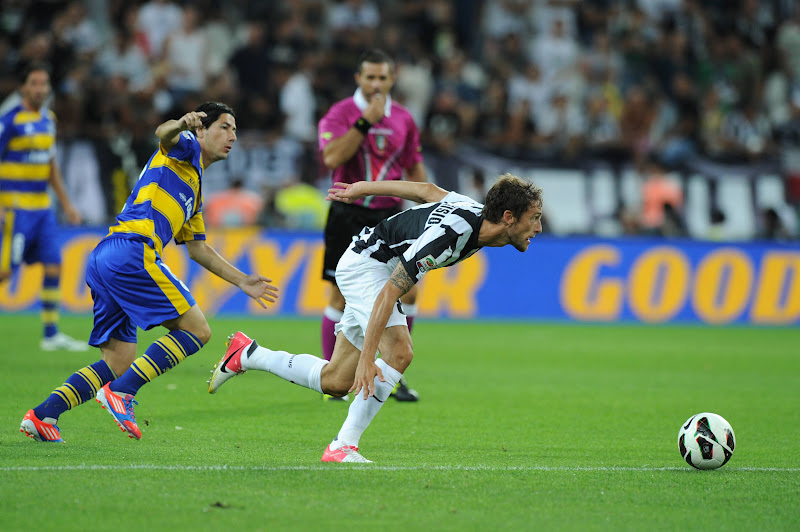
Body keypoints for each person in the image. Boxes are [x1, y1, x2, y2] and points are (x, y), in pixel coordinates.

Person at [208, 174, 543, 463]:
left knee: (336, 381)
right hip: (367, 267)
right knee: (399, 352)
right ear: (508, 217)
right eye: (534, 218)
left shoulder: (472, 211)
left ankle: (248, 354)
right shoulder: (448, 237)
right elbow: (388, 293)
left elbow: (425, 190)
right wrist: (368, 359)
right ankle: (342, 446)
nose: (539, 228)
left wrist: (363, 188)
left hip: (371, 265)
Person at [19, 101, 279, 443]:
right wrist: (181, 124)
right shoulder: (186, 148)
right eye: (224, 127)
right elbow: (164, 133)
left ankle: (43, 415)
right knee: (197, 330)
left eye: (235, 130)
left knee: (119, 361)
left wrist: (242, 280)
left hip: (107, 256)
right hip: (133, 251)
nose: (232, 136)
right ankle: (122, 392)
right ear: (201, 129)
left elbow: (198, 248)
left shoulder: (195, 188)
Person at [318, 48, 427, 402]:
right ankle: (332, 377)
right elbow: (332, 157)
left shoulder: (405, 119)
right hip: (348, 213)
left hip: (390, 219)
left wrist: (432, 208)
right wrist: (366, 121)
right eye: (370, 77)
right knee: (339, 295)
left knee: (408, 291)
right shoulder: (341, 113)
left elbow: (413, 167)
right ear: (359, 79)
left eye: (383, 77)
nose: (376, 84)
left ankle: (391, 374)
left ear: (392, 79)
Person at [0, 63, 86, 351]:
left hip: (43, 209)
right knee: (5, 272)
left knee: (53, 265)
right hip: (15, 209)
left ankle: (51, 335)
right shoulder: (10, 120)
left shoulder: (49, 119)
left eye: (44, 84)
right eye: (34, 83)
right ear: (23, 88)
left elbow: (50, 166)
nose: (40, 89)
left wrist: (67, 204)